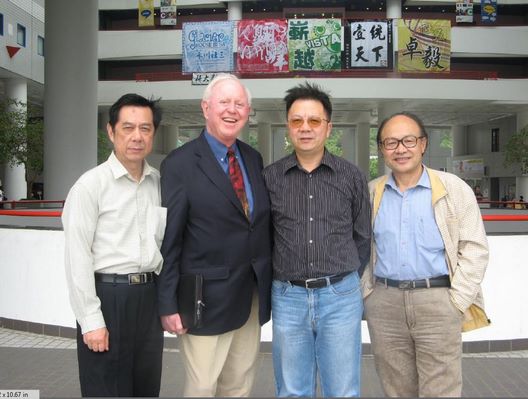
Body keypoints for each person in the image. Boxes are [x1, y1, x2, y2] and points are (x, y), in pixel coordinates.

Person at [157, 73, 272, 397]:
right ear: (206, 107)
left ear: (248, 111)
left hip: (249, 296)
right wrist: (167, 302)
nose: (231, 110)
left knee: (239, 385)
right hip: (203, 300)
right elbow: (170, 238)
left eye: (239, 104)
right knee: (203, 387)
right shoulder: (179, 164)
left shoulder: (252, 158)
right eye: (224, 102)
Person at [362, 111, 490, 397]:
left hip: (438, 300)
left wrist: (456, 301)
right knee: (396, 388)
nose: (400, 149)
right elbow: (359, 248)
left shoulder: (453, 188)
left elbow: (475, 248)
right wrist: (369, 296)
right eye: (390, 142)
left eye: (408, 140)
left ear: (423, 144)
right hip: (385, 303)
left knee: (441, 389)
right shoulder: (371, 192)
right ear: (382, 149)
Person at [262, 82, 371, 397]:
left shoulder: (351, 176)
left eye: (314, 121)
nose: (305, 128)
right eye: (297, 121)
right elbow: (265, 237)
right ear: (288, 126)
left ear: (328, 127)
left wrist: (341, 275)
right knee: (293, 390)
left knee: (343, 390)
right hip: (288, 296)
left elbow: (362, 236)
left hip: (340, 295)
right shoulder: (270, 178)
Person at [62, 93, 165, 397]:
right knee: (106, 388)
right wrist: (90, 320)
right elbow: (76, 258)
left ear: (154, 134)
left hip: (149, 299)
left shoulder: (160, 183)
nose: (137, 137)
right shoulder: (89, 186)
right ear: (111, 131)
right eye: (128, 128)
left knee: (146, 388)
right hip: (108, 297)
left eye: (145, 129)